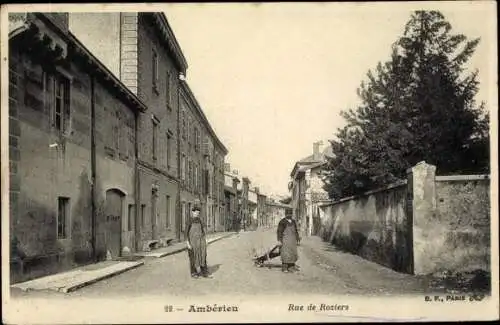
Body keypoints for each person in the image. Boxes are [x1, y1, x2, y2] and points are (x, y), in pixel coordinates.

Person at [186, 205, 211, 278]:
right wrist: (188, 243)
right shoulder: (189, 221)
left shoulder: (200, 220)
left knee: (203, 256)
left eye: (198, 213)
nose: (197, 214)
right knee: (193, 257)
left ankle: (204, 272)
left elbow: (203, 231)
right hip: (192, 242)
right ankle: (193, 273)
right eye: (196, 212)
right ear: (192, 212)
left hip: (200, 242)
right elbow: (186, 233)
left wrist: (205, 240)